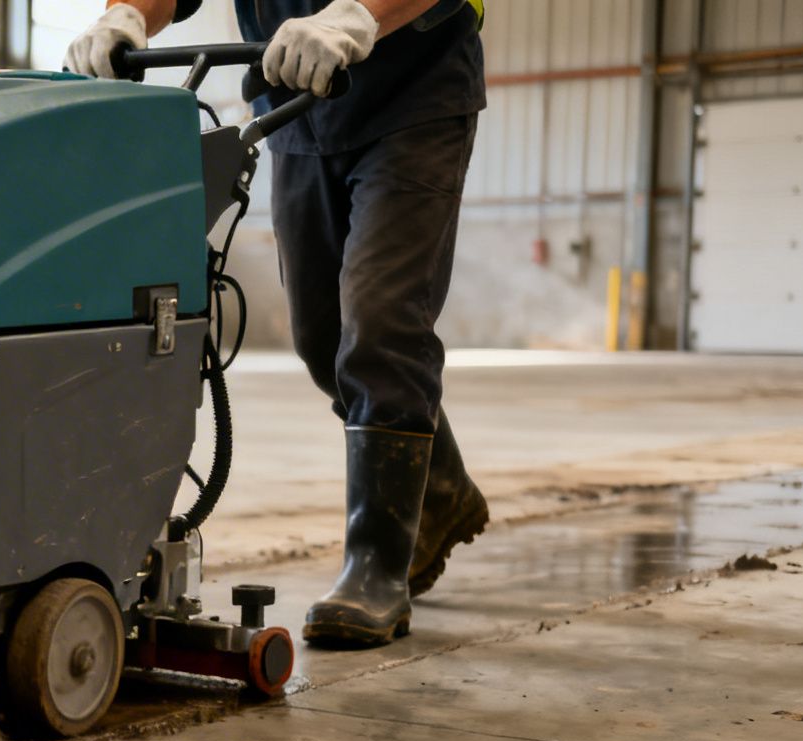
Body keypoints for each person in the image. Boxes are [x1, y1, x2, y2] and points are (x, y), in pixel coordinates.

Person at [66, 1, 490, 648]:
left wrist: (355, 15)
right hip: (297, 106)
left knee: (381, 323)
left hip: (414, 98)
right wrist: (126, 16)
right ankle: (440, 489)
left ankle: (376, 568)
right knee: (322, 339)